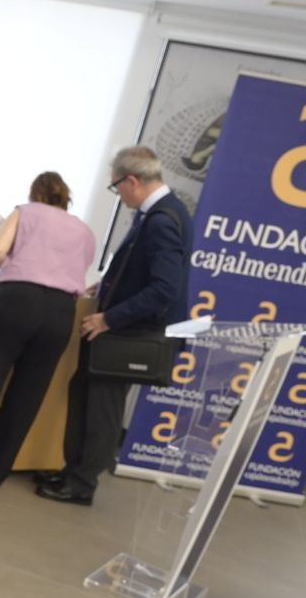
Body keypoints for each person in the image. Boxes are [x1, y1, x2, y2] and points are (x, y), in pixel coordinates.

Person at [37, 146, 193, 505]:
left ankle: (81, 484)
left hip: (129, 334)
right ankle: (72, 471)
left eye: (116, 187)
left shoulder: (162, 221)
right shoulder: (166, 213)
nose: (118, 195)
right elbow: (143, 274)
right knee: (86, 396)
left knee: (101, 409)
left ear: (132, 180)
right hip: (126, 330)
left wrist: (109, 317)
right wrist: (107, 287)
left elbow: (163, 289)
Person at [0, 172, 96, 497]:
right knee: (25, 401)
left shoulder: (24, 211)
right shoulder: (83, 230)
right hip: (59, 313)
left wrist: (17, 262)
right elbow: (81, 270)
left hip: (16, 302)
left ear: (36, 193)